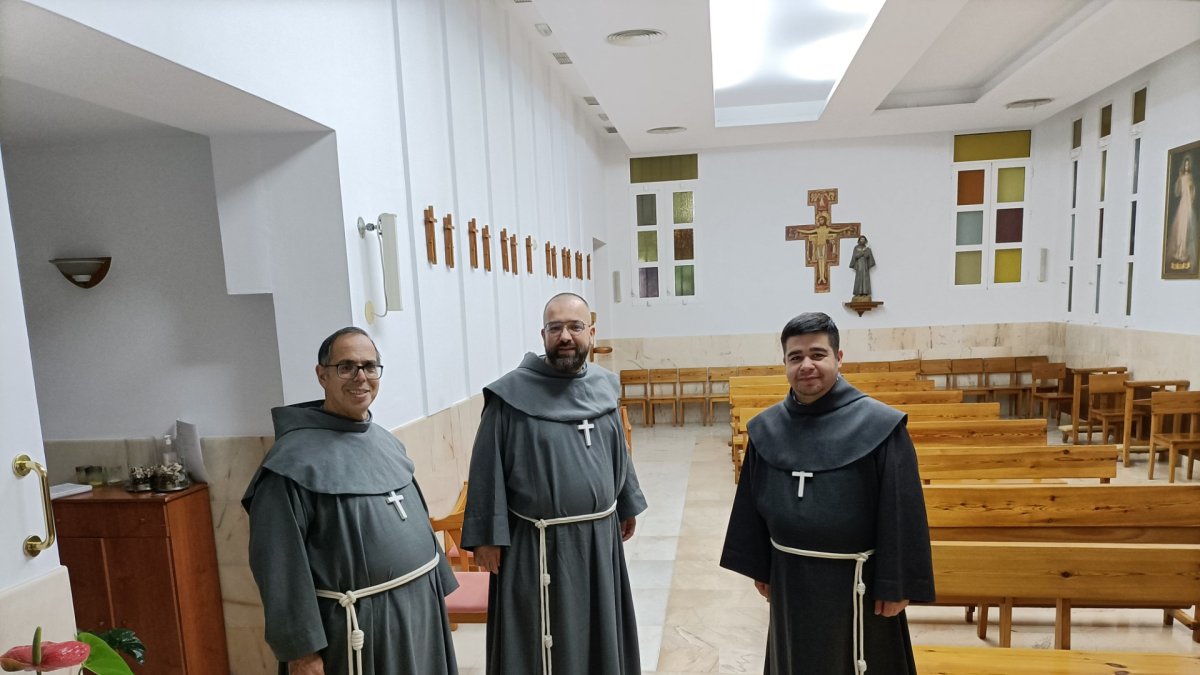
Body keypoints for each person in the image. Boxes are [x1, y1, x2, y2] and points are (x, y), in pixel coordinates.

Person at [720, 312, 934, 675]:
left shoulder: (880, 425)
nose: (806, 365)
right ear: (785, 363)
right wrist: (761, 566)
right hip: (790, 578)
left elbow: (902, 509)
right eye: (795, 356)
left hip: (858, 584)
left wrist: (897, 583)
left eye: (817, 354)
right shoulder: (767, 428)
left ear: (839, 357)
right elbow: (752, 503)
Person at [243, 327, 458, 675]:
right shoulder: (289, 465)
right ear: (322, 374)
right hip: (356, 628)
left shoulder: (385, 442)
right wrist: (302, 652)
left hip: (418, 614)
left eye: (370, 366)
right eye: (347, 367)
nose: (361, 377)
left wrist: (435, 590)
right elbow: (278, 567)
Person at [463, 292, 647, 675]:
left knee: (598, 631)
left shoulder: (603, 388)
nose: (566, 336)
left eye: (575, 327)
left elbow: (618, 449)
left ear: (591, 333)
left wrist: (626, 501)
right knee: (538, 639)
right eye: (556, 327)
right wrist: (485, 536)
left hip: (598, 539)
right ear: (542, 334)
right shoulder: (510, 395)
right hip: (536, 544)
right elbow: (485, 466)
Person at [1168, 155, 1196, 271]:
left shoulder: (1190, 177)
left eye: (1188, 165)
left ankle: (1183, 251)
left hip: (1187, 203)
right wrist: (1179, 181)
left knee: (1185, 228)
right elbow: (1177, 192)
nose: (1186, 166)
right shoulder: (1182, 177)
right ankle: (1178, 251)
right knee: (1180, 228)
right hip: (1182, 203)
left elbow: (1193, 190)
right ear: (1183, 165)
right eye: (1185, 164)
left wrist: (1191, 190)